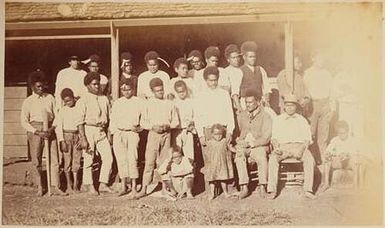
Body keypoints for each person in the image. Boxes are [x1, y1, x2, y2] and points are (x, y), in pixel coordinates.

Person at [21, 70, 68, 196]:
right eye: (38, 87)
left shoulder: (50, 97)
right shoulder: (28, 101)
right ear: (32, 87)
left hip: (49, 129)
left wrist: (52, 128)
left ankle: (55, 187)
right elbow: (24, 121)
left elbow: (57, 115)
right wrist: (36, 131)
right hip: (36, 130)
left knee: (54, 159)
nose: (41, 88)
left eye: (42, 86)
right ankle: (40, 187)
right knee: (36, 160)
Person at [267, 94, 316, 199]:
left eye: (292, 105)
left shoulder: (302, 120)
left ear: (296, 107)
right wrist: (277, 148)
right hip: (283, 147)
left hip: (299, 146)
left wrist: (302, 149)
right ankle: (272, 190)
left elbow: (307, 139)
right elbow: (274, 138)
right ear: (284, 106)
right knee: (272, 159)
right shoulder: (278, 120)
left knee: (309, 159)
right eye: (287, 105)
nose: (289, 108)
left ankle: (308, 189)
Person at [136, 78, 179, 198]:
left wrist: (168, 126)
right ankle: (144, 188)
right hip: (154, 134)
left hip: (167, 134)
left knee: (164, 162)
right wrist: (153, 127)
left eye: (162, 90)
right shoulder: (148, 104)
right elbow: (143, 122)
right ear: (152, 91)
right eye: (157, 91)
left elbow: (176, 121)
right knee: (149, 161)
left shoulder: (169, 103)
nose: (160, 92)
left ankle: (165, 188)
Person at [77, 72, 114, 195]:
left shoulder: (104, 99)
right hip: (89, 130)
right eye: (94, 84)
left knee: (108, 157)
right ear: (87, 85)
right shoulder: (83, 100)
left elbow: (109, 118)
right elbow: (79, 121)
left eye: (98, 84)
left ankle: (103, 183)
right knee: (88, 159)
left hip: (101, 131)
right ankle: (90, 185)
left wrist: (109, 133)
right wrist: (83, 138)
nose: (97, 86)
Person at [232, 89, 272, 199]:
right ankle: (244, 187)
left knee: (261, 157)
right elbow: (237, 133)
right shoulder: (241, 116)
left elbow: (266, 137)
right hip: (244, 145)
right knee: (239, 156)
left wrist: (252, 143)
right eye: (246, 102)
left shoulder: (265, 116)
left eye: (250, 102)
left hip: (259, 145)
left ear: (258, 102)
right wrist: (238, 141)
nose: (248, 105)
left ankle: (263, 186)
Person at [109, 78, 144, 198]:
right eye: (123, 90)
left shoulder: (139, 102)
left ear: (133, 89)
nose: (126, 92)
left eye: (128, 89)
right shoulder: (118, 102)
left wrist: (140, 128)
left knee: (132, 159)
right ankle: (124, 185)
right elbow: (113, 120)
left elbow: (145, 118)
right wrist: (113, 134)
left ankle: (134, 186)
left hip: (132, 133)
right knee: (121, 159)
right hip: (119, 133)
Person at [303, 50, 336, 165]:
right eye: (319, 58)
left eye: (323, 59)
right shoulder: (307, 73)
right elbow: (305, 91)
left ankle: (324, 164)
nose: (322, 61)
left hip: (325, 105)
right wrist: (307, 108)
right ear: (313, 58)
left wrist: (332, 109)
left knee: (323, 137)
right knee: (310, 135)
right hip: (313, 105)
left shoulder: (327, 73)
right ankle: (311, 163)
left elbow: (332, 92)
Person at [318, 121, 366, 192]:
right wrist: (329, 154)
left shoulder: (353, 140)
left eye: (343, 133)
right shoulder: (335, 140)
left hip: (349, 162)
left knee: (356, 161)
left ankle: (356, 185)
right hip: (339, 162)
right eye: (339, 133)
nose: (341, 135)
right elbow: (328, 151)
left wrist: (348, 155)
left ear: (347, 132)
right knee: (327, 160)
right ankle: (326, 183)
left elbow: (358, 152)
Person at [53, 88, 83, 194]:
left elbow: (80, 124)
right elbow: (58, 127)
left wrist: (81, 137)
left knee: (77, 160)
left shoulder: (78, 109)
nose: (68, 103)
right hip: (66, 136)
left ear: (73, 98)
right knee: (67, 161)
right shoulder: (62, 110)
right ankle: (69, 184)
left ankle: (76, 184)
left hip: (76, 135)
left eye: (69, 100)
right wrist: (62, 141)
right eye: (65, 101)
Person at [239, 41, 272, 109]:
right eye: (250, 57)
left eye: (254, 56)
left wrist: (266, 100)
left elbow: (266, 87)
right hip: (245, 103)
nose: (253, 59)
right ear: (244, 57)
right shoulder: (239, 71)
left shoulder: (260, 69)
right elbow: (236, 91)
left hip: (259, 102)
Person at [205, 124, 234, 200]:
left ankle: (225, 192)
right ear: (212, 134)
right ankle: (212, 193)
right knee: (212, 180)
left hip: (222, 163)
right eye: (216, 134)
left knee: (223, 178)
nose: (218, 136)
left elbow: (230, 148)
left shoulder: (224, 141)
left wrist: (235, 150)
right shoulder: (210, 142)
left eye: (220, 134)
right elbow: (207, 153)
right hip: (213, 164)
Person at [173, 80, 196, 161]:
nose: (182, 93)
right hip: (177, 131)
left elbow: (195, 115)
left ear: (186, 90)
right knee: (177, 152)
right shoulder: (174, 103)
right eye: (179, 92)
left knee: (189, 154)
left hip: (188, 130)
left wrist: (192, 123)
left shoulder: (191, 101)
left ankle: (191, 171)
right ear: (176, 92)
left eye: (183, 91)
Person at [223, 44, 244, 113]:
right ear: (228, 60)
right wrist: (239, 108)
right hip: (233, 105)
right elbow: (234, 92)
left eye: (238, 57)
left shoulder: (241, 70)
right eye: (233, 58)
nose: (237, 60)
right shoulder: (226, 72)